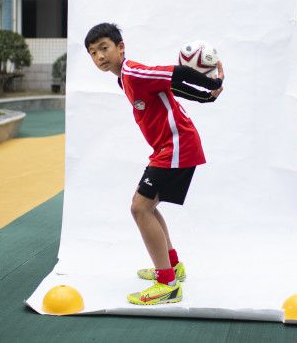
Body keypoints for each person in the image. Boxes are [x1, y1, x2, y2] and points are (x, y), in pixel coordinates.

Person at [84, 23, 224, 306]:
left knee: (140, 207)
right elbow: (172, 87)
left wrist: (213, 84)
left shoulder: (133, 71)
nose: (99, 56)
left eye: (104, 48)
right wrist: (206, 97)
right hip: (169, 147)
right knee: (147, 206)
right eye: (93, 52)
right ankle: (172, 267)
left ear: (121, 47)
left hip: (177, 146)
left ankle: (167, 284)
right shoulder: (124, 78)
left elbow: (178, 72)